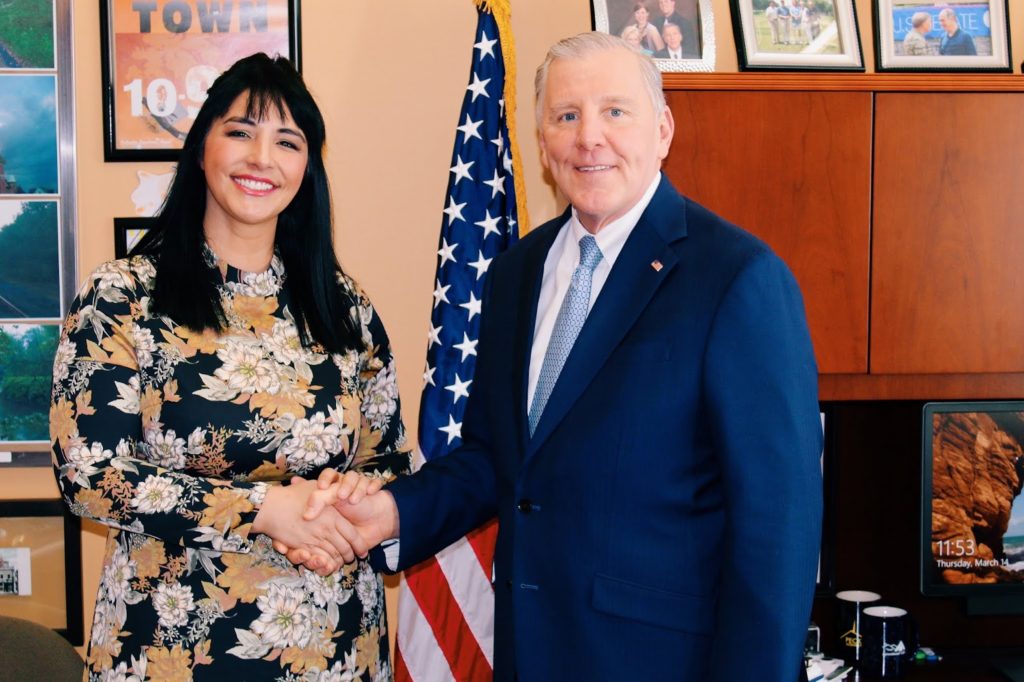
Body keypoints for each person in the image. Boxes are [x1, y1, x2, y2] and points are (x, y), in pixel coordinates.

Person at [298, 32, 823, 681]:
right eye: (566, 116)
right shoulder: (517, 273)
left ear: (662, 129)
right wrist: (389, 512)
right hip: (529, 656)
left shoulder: (736, 279)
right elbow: (497, 459)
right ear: (543, 143)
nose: (589, 137)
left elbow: (778, 528)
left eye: (614, 112)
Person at [50, 53, 409, 680]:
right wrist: (263, 509)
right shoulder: (124, 296)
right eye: (240, 132)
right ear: (200, 149)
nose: (261, 158)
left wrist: (353, 500)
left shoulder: (345, 308)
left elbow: (389, 462)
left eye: (287, 141)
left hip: (335, 646)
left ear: (307, 168)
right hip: (170, 645)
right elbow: (88, 473)